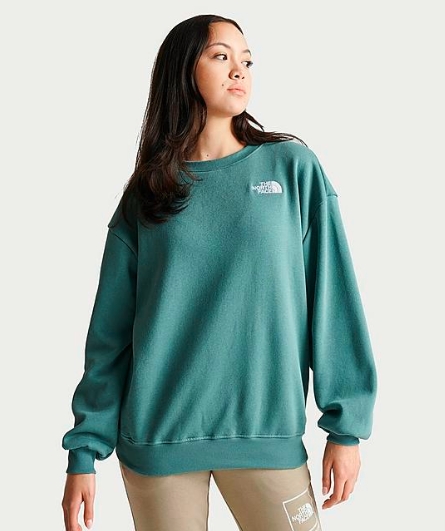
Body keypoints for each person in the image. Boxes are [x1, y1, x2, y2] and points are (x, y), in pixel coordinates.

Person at [61, 13, 377, 531]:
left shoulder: (291, 168)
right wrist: (84, 450)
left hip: (265, 434)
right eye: (221, 56)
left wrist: (346, 428)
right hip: (159, 439)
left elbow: (333, 298)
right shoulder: (148, 193)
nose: (239, 71)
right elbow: (110, 336)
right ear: (184, 69)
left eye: (246, 60)